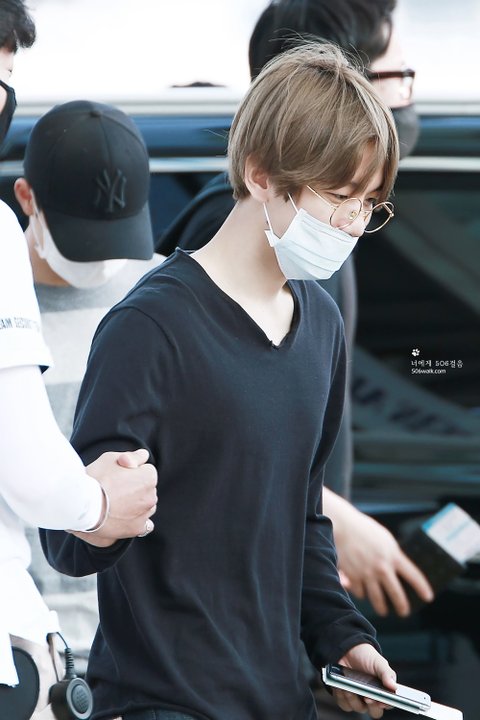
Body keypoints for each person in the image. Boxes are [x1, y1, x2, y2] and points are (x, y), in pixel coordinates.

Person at [43, 42, 402, 720]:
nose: (354, 225)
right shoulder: (151, 327)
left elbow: (303, 517)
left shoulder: (320, 325)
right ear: (261, 173)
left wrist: (342, 638)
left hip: (280, 700)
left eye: (368, 204)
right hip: (161, 702)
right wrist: (101, 509)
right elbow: (66, 536)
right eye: (339, 198)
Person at [157, 0, 432, 623]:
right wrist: (337, 516)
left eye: (368, 205)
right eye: (397, 78)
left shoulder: (320, 243)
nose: (405, 101)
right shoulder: (239, 239)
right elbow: (209, 440)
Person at [0, 1, 157, 714]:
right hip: (34, 647)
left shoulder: (164, 297)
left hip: (129, 652)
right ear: (26, 199)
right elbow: (29, 465)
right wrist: (98, 505)